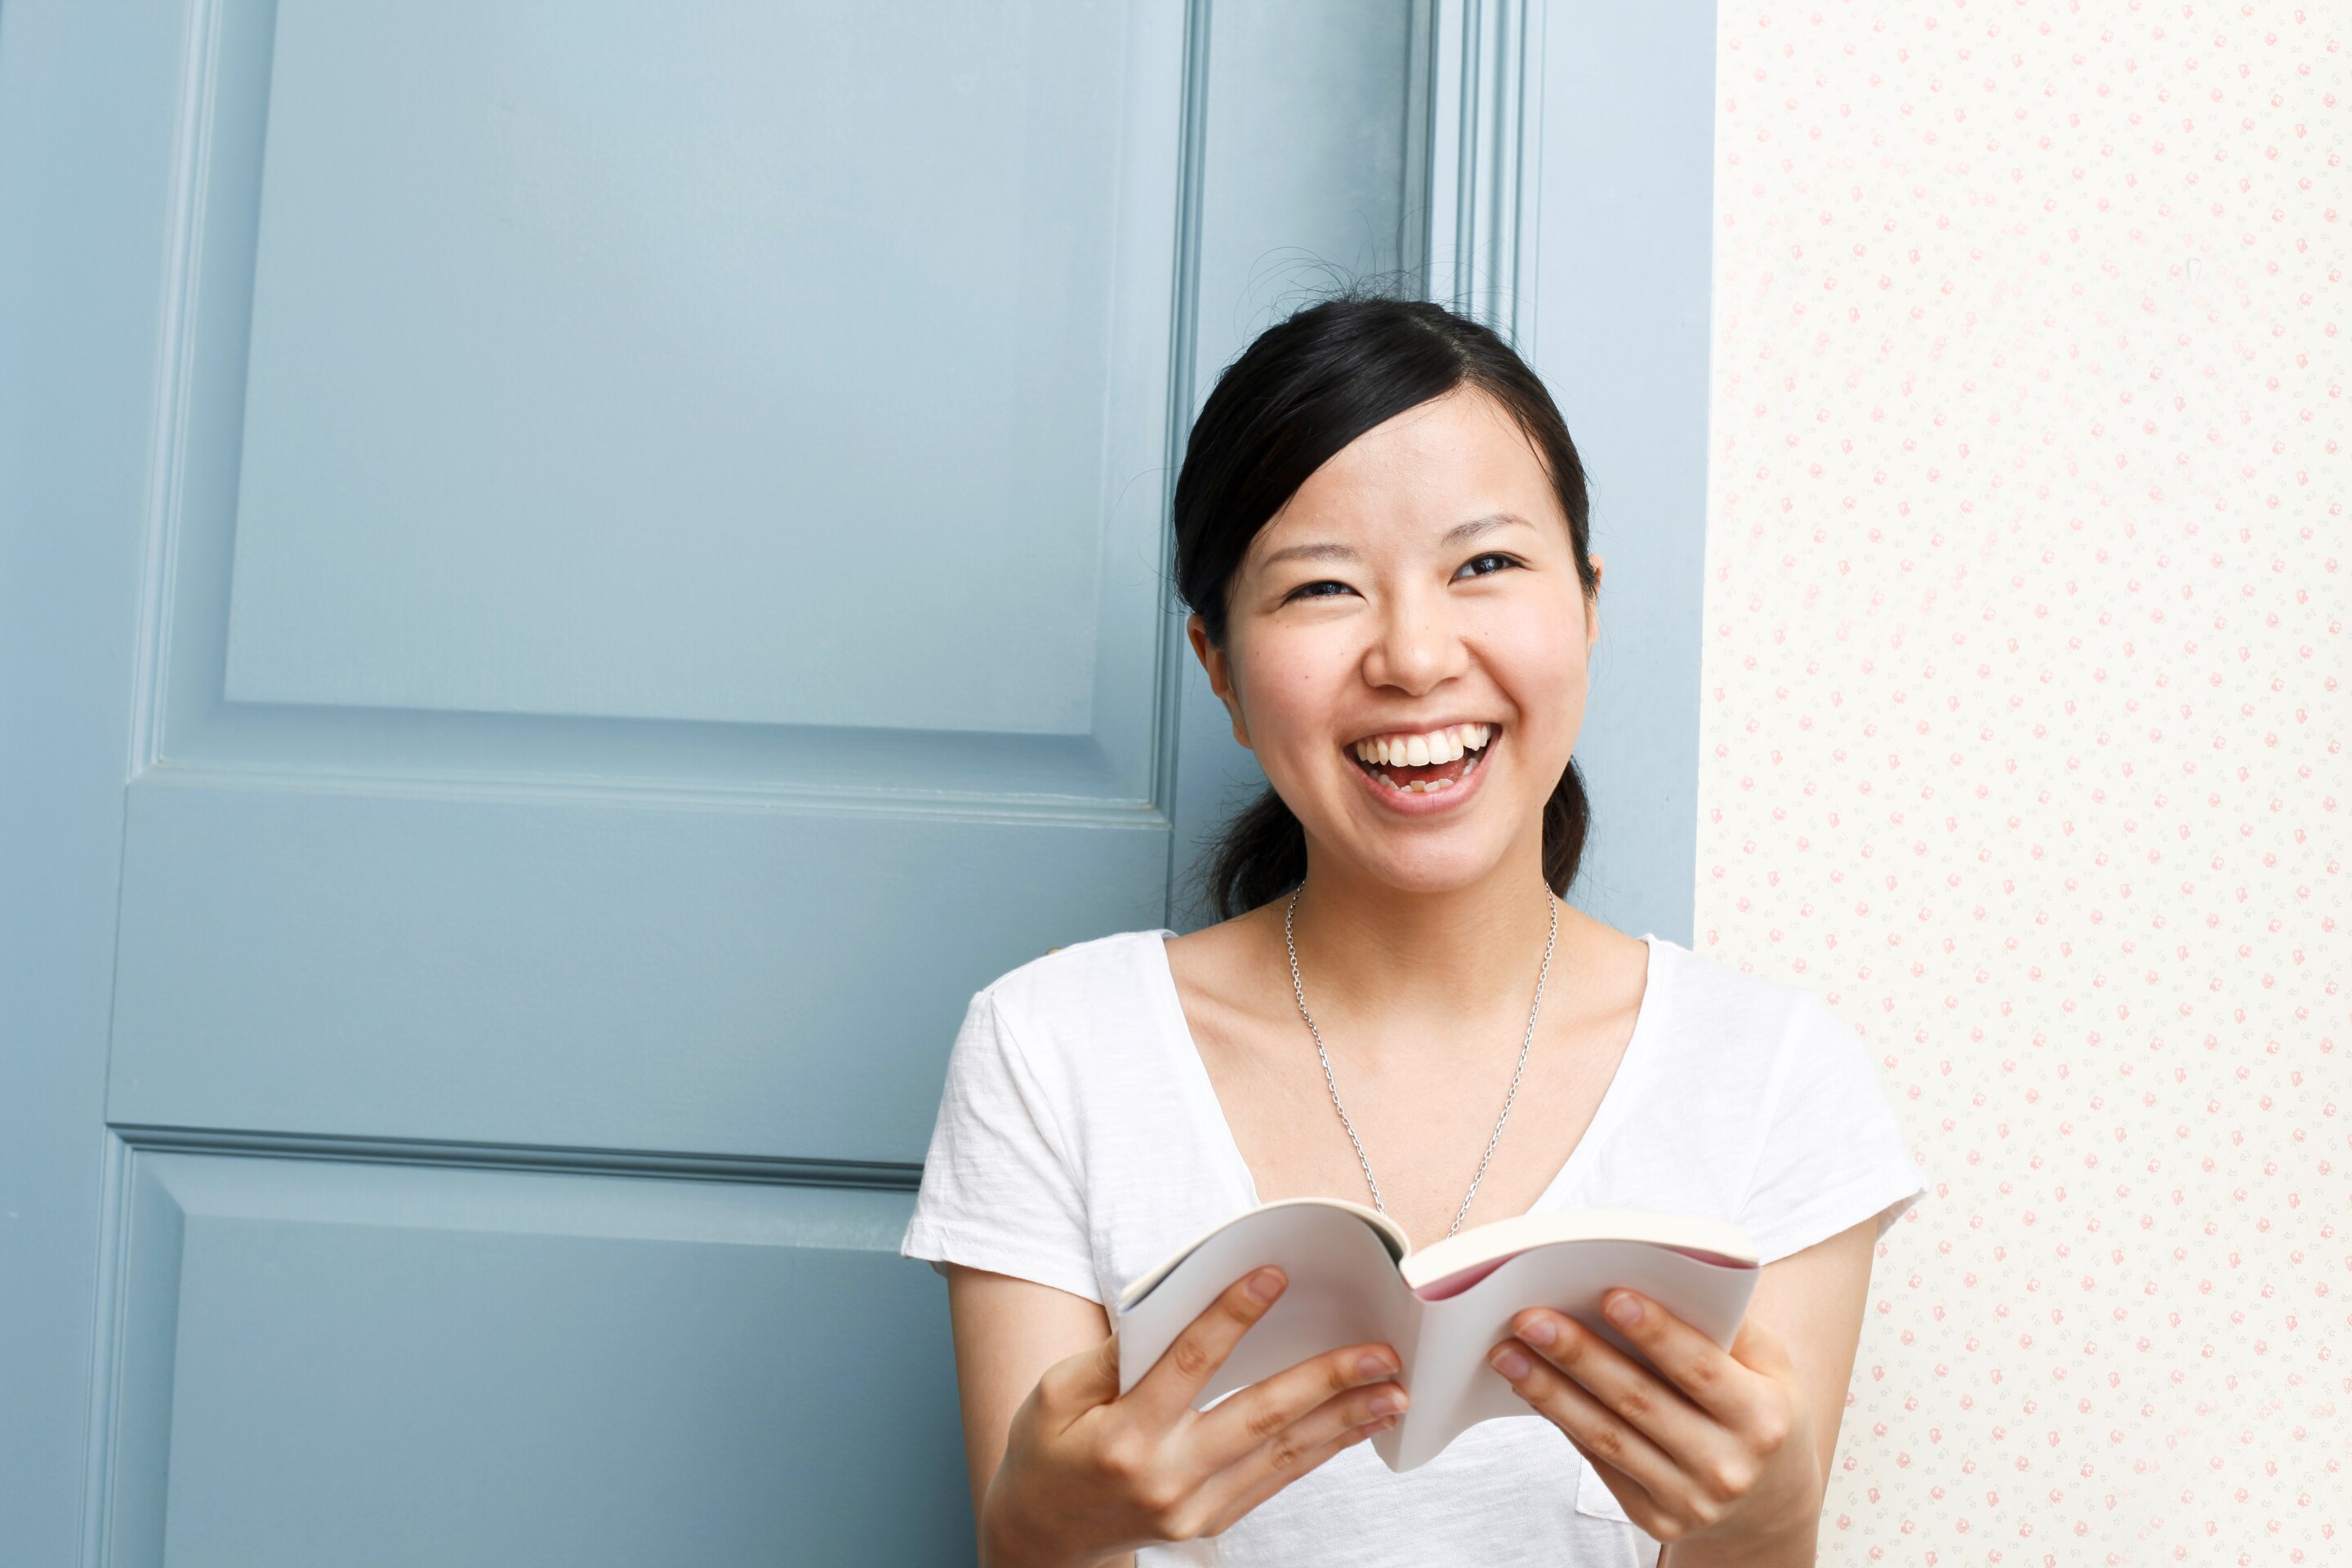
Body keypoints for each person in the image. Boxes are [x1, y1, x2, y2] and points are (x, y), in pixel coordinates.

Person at [902, 296, 1927, 1566]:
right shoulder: (1051, 1050)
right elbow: (1041, 1548)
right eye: (1322, 587)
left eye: (1485, 565)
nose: (1414, 653)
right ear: (1218, 668)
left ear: (1589, 606)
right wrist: (1037, 1536)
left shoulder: (1774, 1080)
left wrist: (1767, 1539)